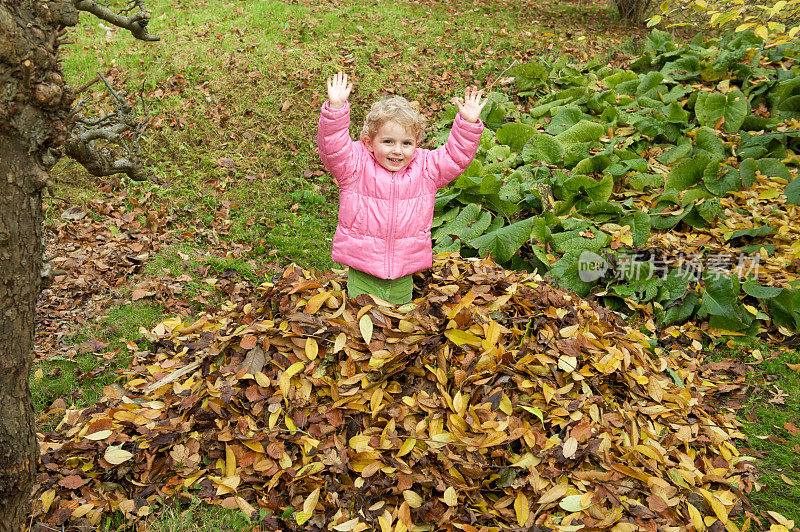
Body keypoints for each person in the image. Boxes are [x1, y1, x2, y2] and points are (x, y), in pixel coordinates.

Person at [317, 72, 486, 305]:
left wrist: (467, 124)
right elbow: (332, 147)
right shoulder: (355, 165)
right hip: (363, 268)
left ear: (417, 143)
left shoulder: (426, 168)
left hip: (404, 270)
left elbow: (456, 157)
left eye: (406, 143)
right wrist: (336, 108)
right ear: (369, 142)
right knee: (363, 322)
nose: (398, 150)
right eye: (388, 142)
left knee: (400, 325)